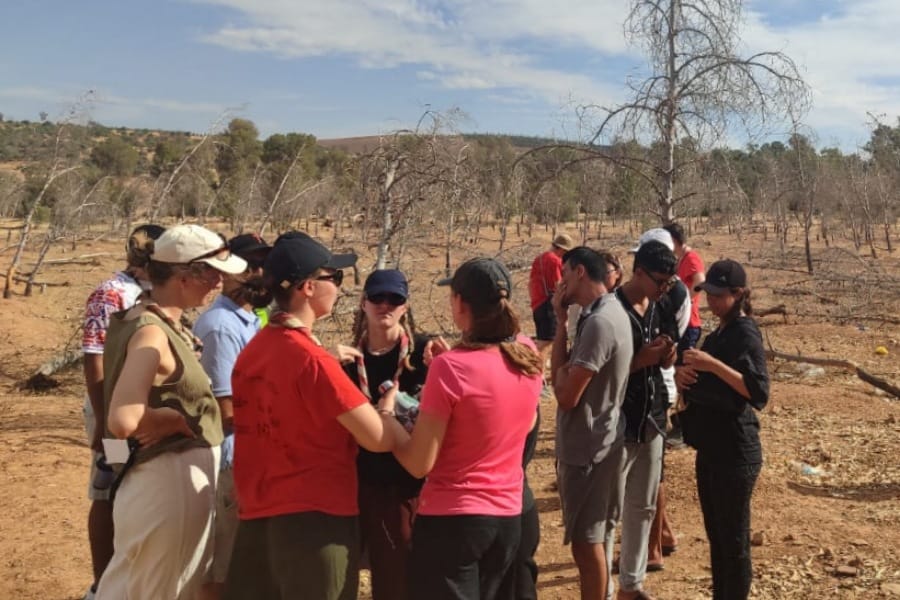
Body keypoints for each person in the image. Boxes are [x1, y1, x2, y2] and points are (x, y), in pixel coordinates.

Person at [224, 232, 403, 600]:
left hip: (257, 519)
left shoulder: (254, 351)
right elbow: (377, 438)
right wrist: (388, 408)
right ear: (308, 287)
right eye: (333, 278)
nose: (338, 287)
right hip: (316, 523)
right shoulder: (314, 361)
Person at [95, 224, 248, 600]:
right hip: (166, 487)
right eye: (213, 274)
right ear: (185, 276)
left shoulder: (144, 318)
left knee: (139, 585)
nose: (217, 283)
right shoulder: (152, 333)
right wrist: (170, 420)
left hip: (158, 482)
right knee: (157, 589)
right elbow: (122, 418)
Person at [378, 257, 543, 600]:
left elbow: (419, 462)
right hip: (508, 519)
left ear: (460, 303)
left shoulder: (450, 369)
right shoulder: (527, 355)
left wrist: (387, 419)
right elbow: (512, 415)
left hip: (452, 522)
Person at [675, 260, 769, 600]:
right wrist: (683, 377)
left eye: (717, 295)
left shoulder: (745, 332)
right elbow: (706, 382)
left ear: (738, 294)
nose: (711, 301)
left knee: (734, 541)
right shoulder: (721, 332)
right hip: (713, 449)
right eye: (708, 294)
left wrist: (713, 364)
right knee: (718, 537)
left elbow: (758, 391)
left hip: (735, 452)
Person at [81, 223, 165, 600]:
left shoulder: (153, 294)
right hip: (111, 412)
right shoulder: (111, 293)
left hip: (142, 410)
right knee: (109, 485)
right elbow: (94, 358)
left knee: (136, 486)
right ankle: (103, 583)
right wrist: (102, 419)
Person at [550, 246, 634, 600]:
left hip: (590, 449)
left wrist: (559, 375)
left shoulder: (600, 322)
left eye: (565, 274)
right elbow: (564, 375)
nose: (561, 282)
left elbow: (566, 396)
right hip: (598, 441)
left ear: (580, 272)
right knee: (591, 540)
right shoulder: (600, 312)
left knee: (587, 544)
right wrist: (560, 322)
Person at [340, 269, 429, 600]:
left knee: (396, 581)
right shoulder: (347, 363)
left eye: (395, 299)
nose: (385, 305)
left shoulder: (422, 357)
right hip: (357, 483)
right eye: (377, 298)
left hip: (405, 485)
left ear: (405, 307)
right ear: (363, 304)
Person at [194, 232, 272, 600]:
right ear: (227, 271)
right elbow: (226, 409)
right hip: (231, 459)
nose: (257, 271)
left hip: (250, 454)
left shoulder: (253, 318)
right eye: (248, 264)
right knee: (223, 561)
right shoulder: (222, 327)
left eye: (262, 263)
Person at [612, 240, 678, 600]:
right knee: (610, 509)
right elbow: (598, 371)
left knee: (644, 503)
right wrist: (642, 359)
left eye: (669, 283)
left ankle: (631, 583)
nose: (664, 289)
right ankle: (602, 585)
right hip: (620, 420)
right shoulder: (611, 310)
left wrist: (666, 356)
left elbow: (667, 361)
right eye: (659, 281)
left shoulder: (660, 306)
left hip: (652, 417)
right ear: (638, 272)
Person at [529, 233, 574, 364]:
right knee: (546, 341)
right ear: (561, 249)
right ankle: (537, 372)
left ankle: (536, 366)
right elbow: (557, 284)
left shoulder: (539, 258)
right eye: (565, 252)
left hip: (537, 303)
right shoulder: (555, 260)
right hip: (548, 304)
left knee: (543, 339)